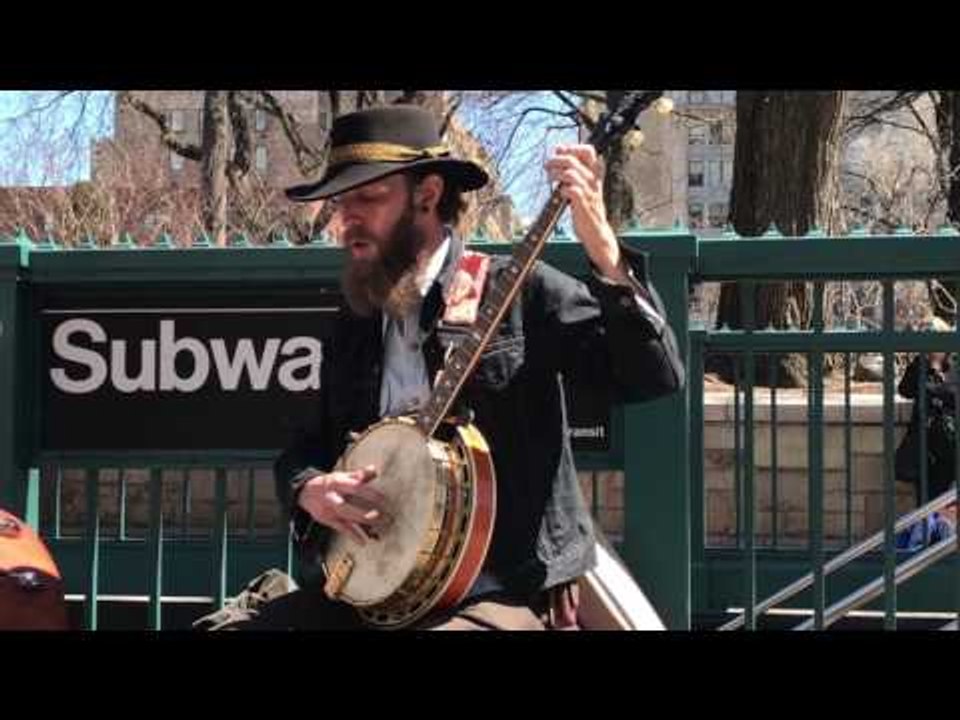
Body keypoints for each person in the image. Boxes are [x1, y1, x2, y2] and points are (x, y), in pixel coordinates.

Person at [200, 104, 684, 630]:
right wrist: (309, 488)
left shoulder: (517, 292)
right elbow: (307, 445)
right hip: (374, 593)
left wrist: (607, 256)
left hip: (504, 591)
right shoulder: (357, 320)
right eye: (342, 202)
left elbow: (653, 373)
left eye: (368, 197)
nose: (347, 219)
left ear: (427, 196)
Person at [894, 315, 957, 547]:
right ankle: (927, 544)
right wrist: (926, 365)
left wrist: (934, 385)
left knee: (947, 501)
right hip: (924, 445)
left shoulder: (954, 366)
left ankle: (943, 541)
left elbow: (950, 395)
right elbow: (905, 390)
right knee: (925, 502)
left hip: (949, 446)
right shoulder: (919, 365)